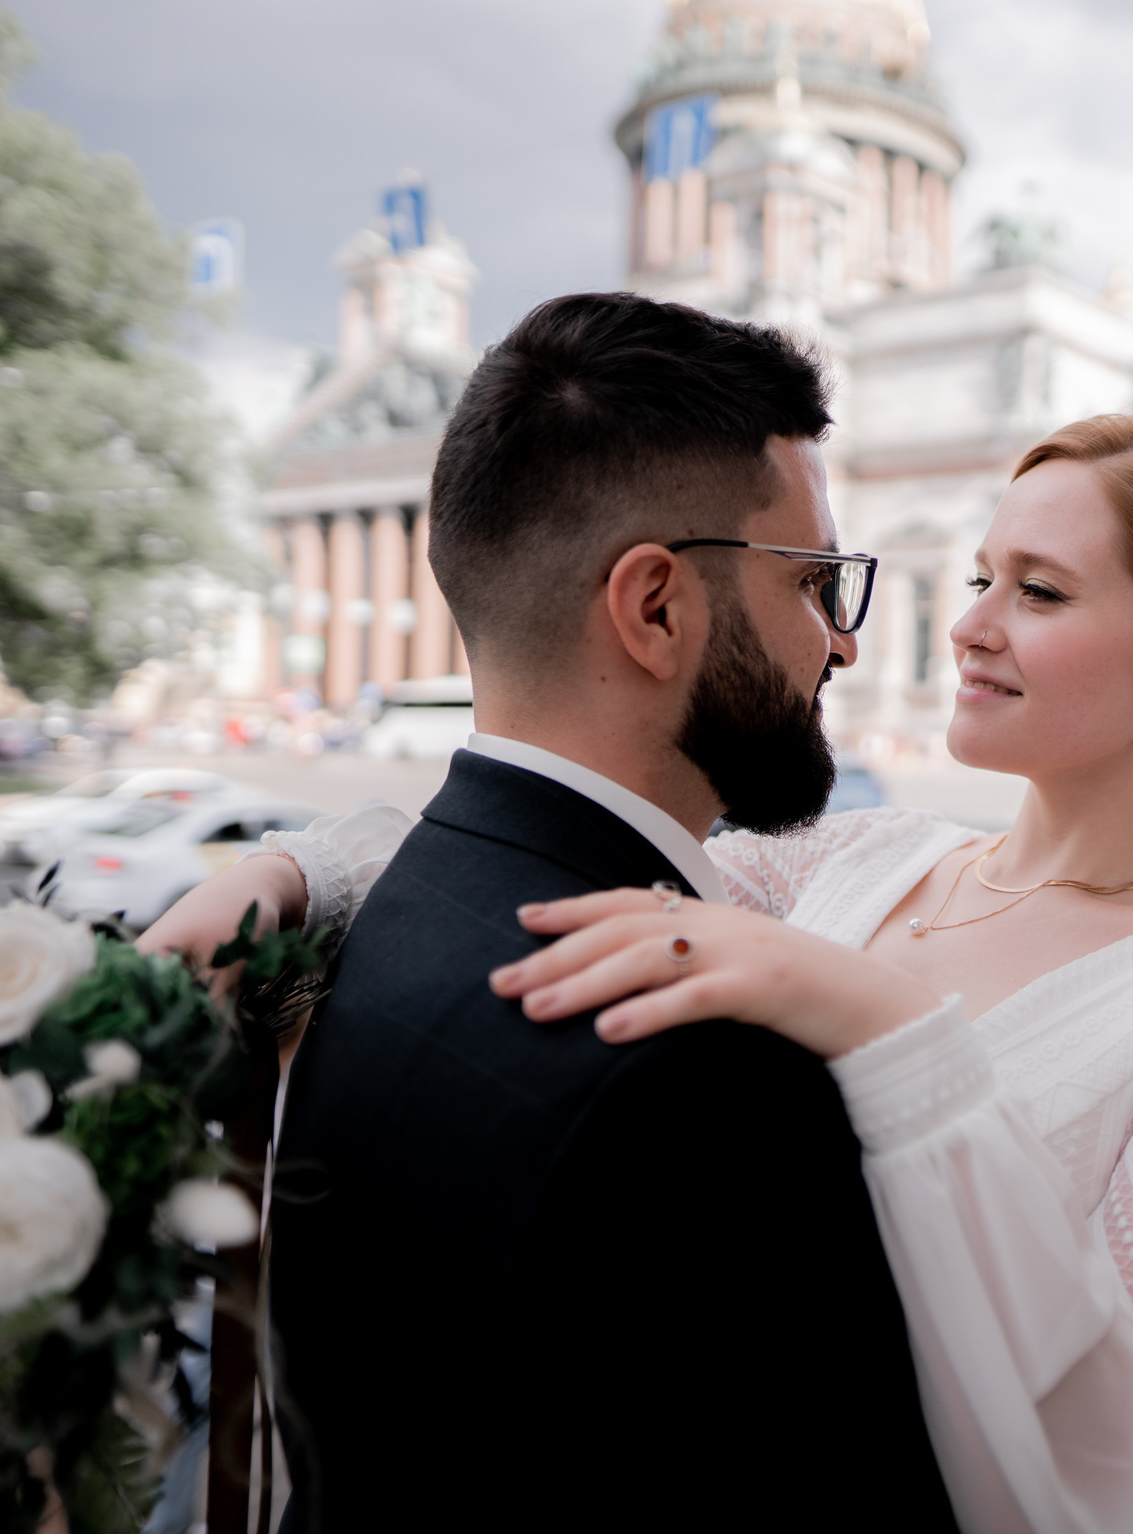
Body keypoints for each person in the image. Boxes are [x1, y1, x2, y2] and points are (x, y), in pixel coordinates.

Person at [148, 371, 1133, 1533]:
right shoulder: (860, 856)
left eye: (1039, 591)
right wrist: (293, 871)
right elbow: (558, 851)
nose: (968, 625)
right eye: (981, 576)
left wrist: (887, 1024)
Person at [139, 296, 955, 1530]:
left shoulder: (386, 903)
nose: (839, 646)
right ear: (656, 607)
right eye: (814, 583)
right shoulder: (714, 1065)